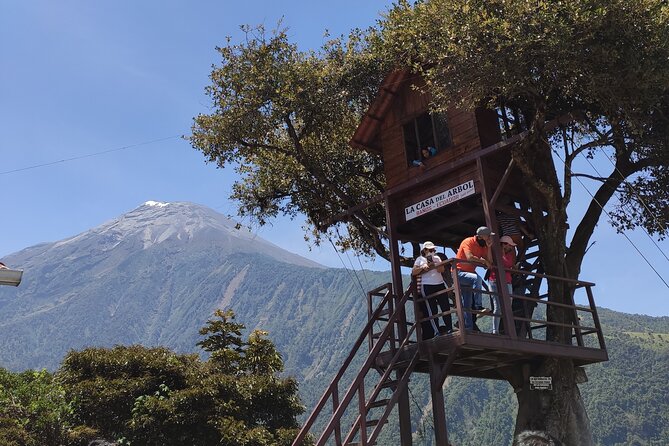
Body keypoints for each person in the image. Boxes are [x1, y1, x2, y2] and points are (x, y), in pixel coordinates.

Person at [412, 241, 452, 339]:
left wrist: (434, 264)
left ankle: (449, 328)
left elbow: (441, 270)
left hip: (439, 284)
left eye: (433, 250)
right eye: (430, 250)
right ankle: (436, 331)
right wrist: (423, 267)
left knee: (445, 307)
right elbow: (414, 272)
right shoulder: (419, 259)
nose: (432, 251)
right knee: (432, 310)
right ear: (425, 250)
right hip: (427, 285)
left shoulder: (437, 258)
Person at [455, 227, 493, 330]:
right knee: (477, 279)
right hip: (458, 273)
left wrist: (489, 247)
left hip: (468, 275)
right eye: (488, 236)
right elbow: (469, 257)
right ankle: (478, 307)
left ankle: (468, 328)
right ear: (481, 236)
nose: (490, 238)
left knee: (467, 303)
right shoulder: (468, 241)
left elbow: (490, 262)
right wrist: (483, 262)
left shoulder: (483, 246)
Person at [488, 236, 516, 334]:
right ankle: (495, 330)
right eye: (509, 245)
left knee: (507, 306)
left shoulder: (508, 255)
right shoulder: (494, 253)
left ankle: (507, 330)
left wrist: (502, 253)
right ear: (504, 244)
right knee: (498, 306)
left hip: (506, 282)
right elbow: (495, 262)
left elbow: (507, 264)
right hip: (494, 281)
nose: (511, 248)